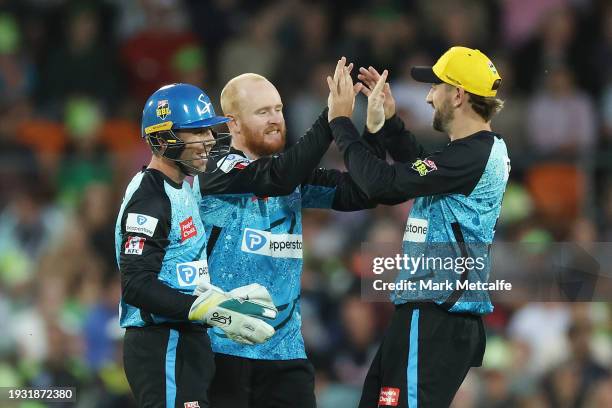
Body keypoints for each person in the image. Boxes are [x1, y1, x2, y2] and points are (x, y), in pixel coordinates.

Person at [192, 59, 390, 408]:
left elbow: (364, 191)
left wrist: (373, 129)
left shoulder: (291, 173)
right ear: (233, 123)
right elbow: (277, 176)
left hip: (285, 353)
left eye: (279, 109)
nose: (275, 119)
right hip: (220, 348)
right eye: (262, 111)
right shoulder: (214, 167)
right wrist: (331, 119)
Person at [327, 48, 510, 407]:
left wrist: (341, 124)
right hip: (430, 315)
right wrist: (392, 123)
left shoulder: (471, 155)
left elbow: (383, 184)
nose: (428, 96)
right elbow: (419, 168)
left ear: (458, 95)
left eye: (436, 87)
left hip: (435, 315)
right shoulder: (475, 153)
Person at [116, 83, 278, 408]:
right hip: (162, 343)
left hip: (185, 340)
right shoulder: (150, 199)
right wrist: (206, 309)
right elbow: (135, 285)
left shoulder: (184, 186)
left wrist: (221, 301)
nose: (208, 139)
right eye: (196, 131)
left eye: (207, 128)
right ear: (162, 140)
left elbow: (178, 272)